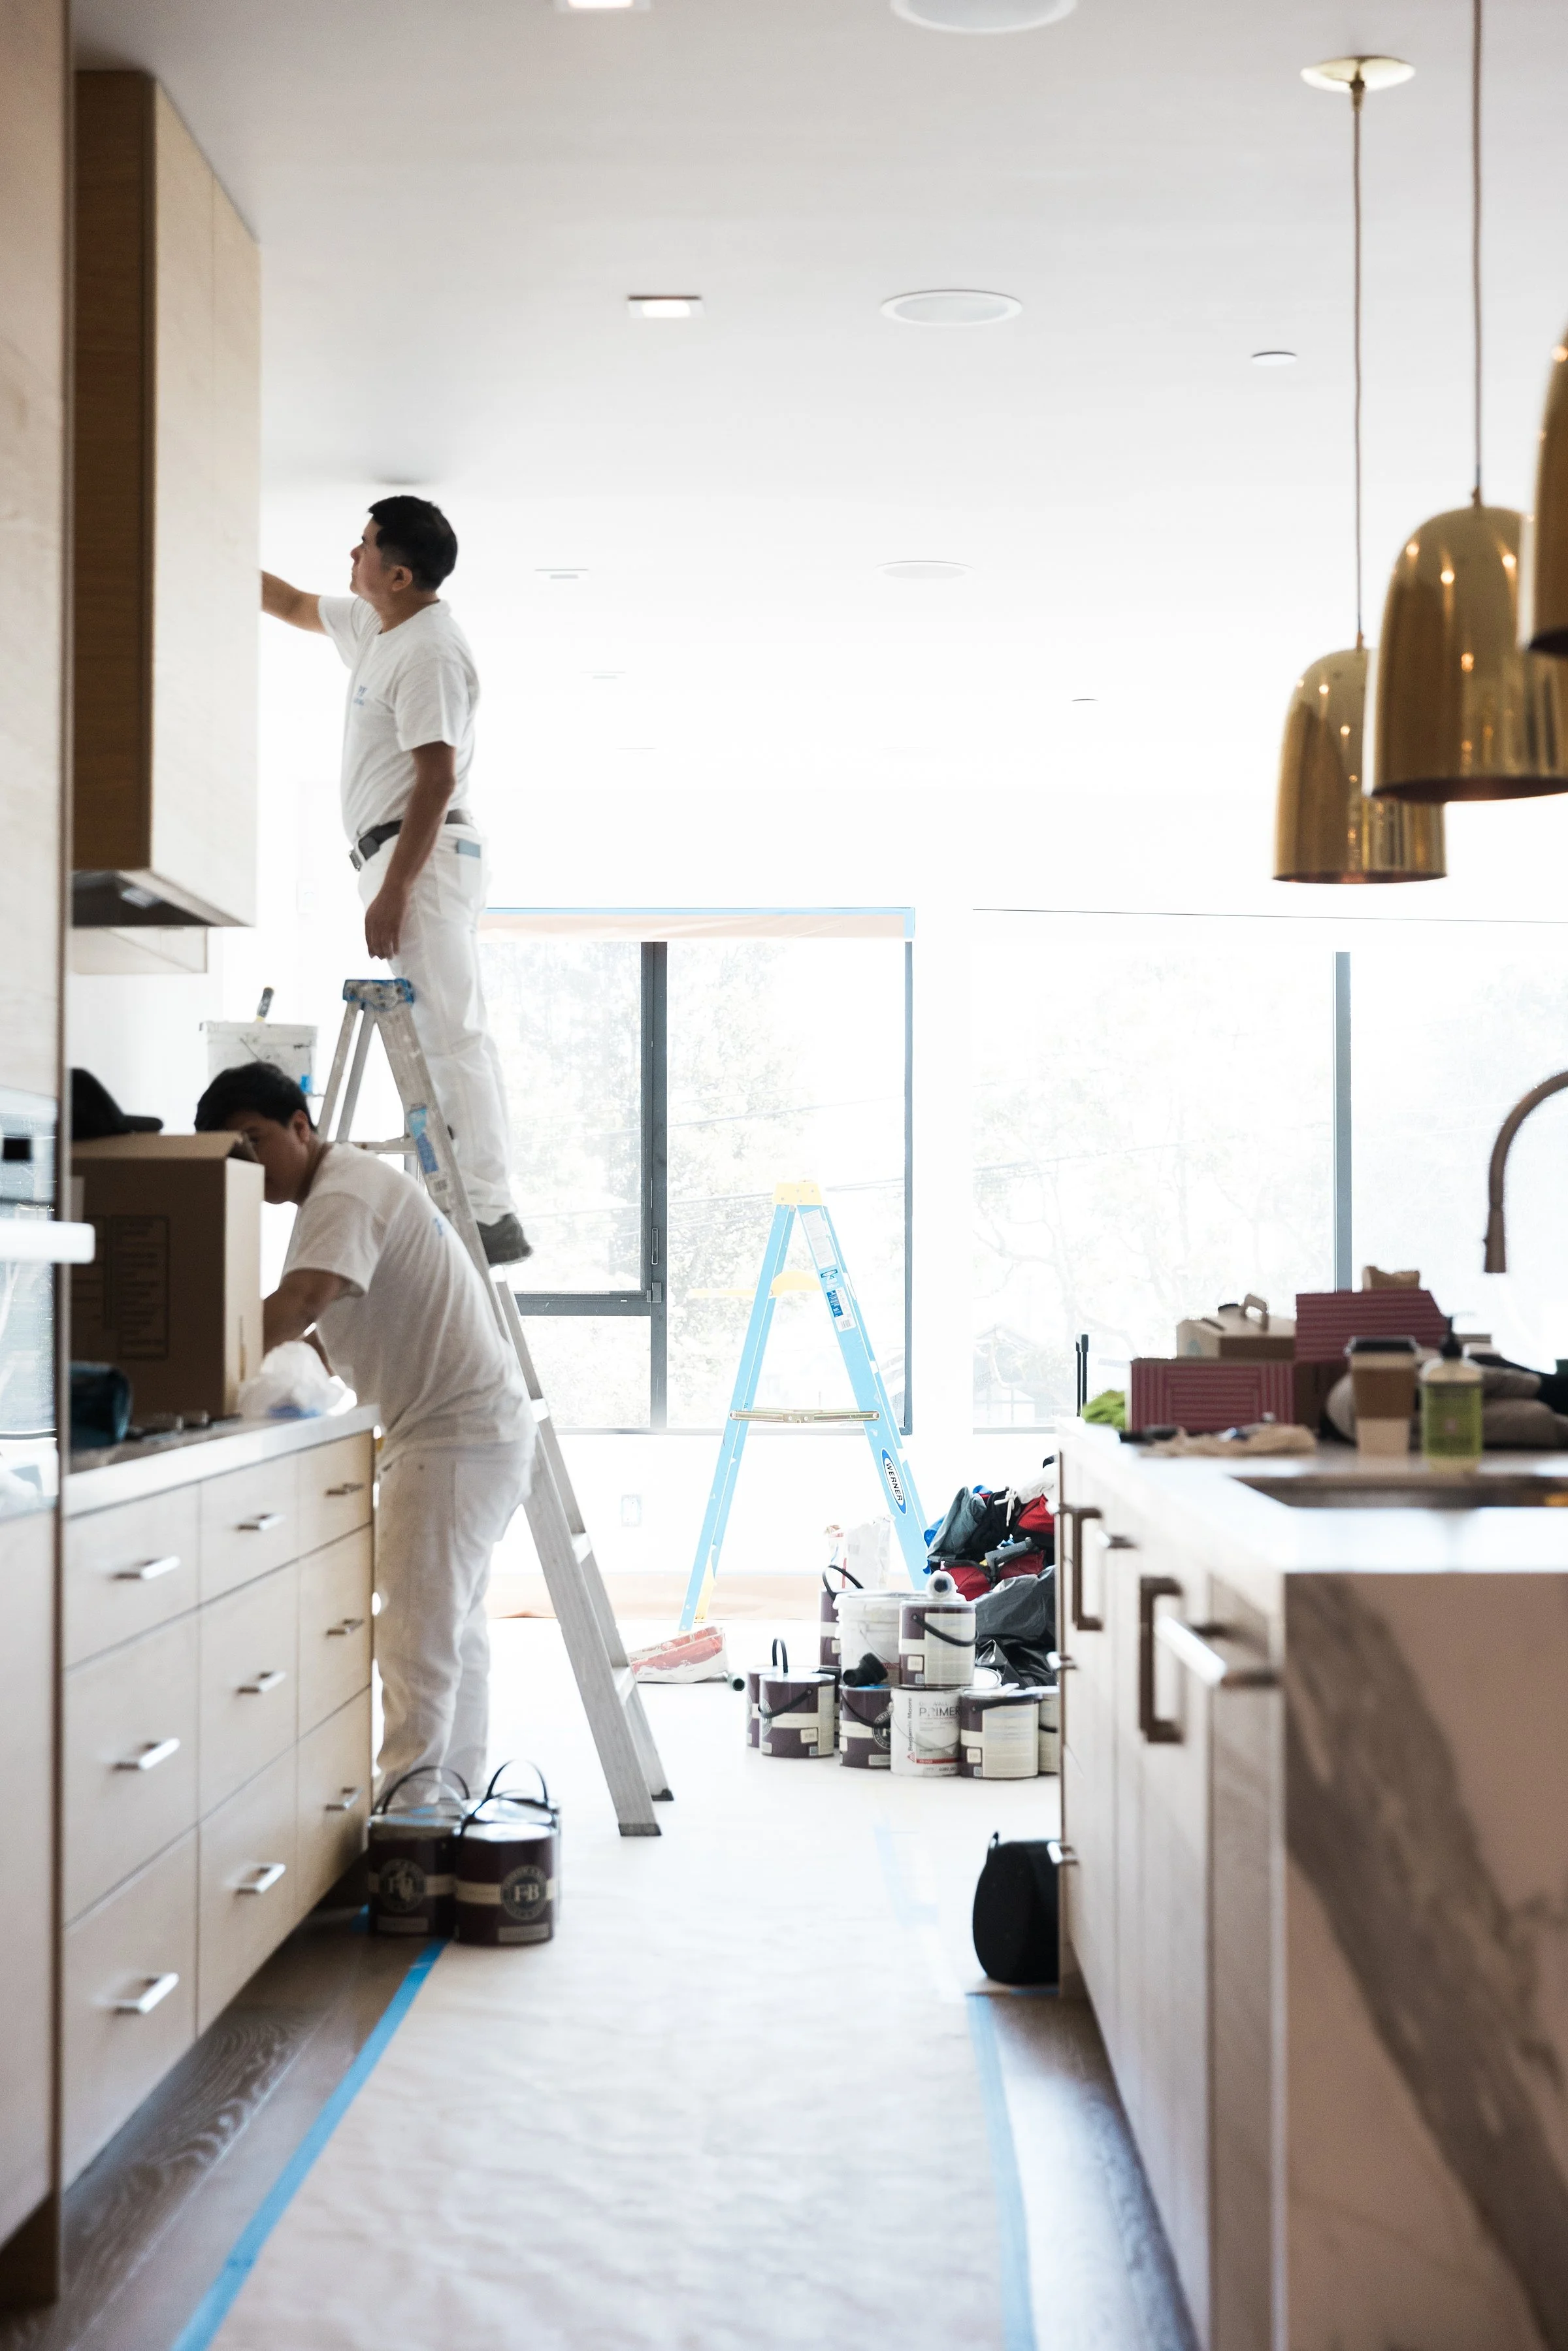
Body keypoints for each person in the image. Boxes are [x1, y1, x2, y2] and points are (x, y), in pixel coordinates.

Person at [195, 1060, 534, 1803]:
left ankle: (411, 1830)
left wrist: (199, 1370)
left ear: (301, 1126)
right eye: (234, 1154)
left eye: (255, 1139)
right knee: (453, 1637)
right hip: (475, 1433)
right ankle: (447, 1809)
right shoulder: (336, 1195)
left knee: (416, 1646)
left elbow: (305, 1300)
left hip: (452, 1439)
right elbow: (325, 1335)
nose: (250, 1165)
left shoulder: (343, 1188)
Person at [261, 496, 529, 1268]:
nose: (354, 553)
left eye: (367, 546)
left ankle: (490, 1210)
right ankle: (473, 1197)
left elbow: (437, 778)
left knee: (451, 1032)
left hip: (426, 857)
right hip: (397, 856)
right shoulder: (377, 625)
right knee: (441, 1031)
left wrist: (395, 889)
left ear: (400, 573)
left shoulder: (430, 651)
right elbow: (285, 601)